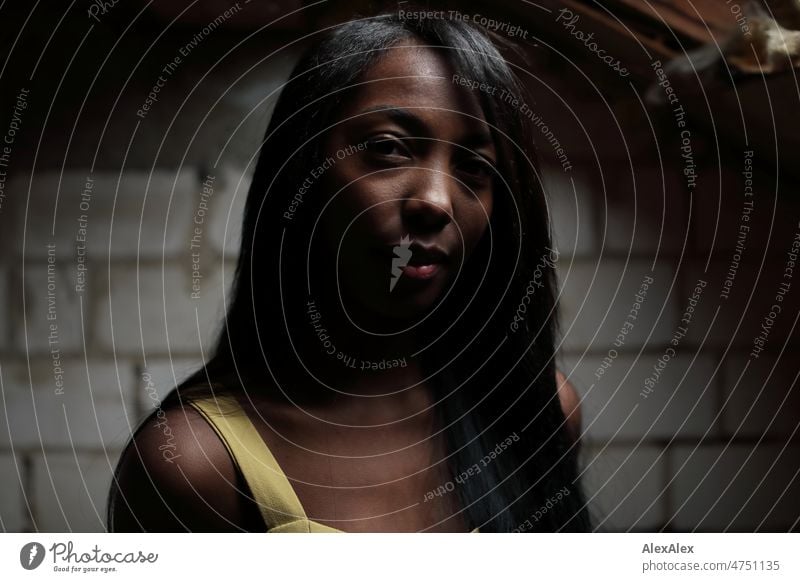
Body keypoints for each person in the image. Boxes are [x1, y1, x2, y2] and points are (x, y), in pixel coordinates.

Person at [108, 10, 591, 533]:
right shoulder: (194, 467)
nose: (436, 201)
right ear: (302, 170)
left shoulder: (538, 412)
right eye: (387, 148)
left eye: (474, 168)